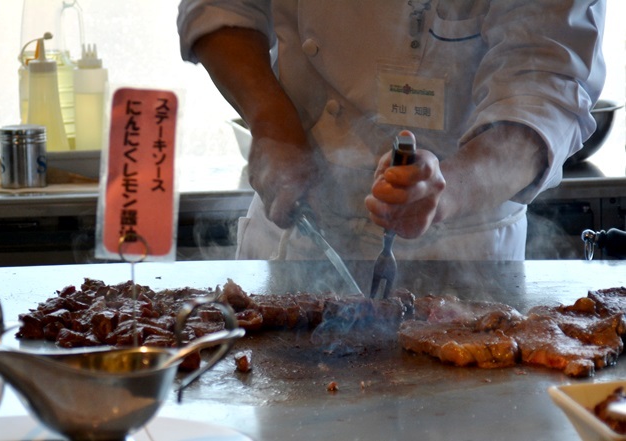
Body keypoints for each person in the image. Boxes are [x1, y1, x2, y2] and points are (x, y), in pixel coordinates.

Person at [177, 1, 606, 261]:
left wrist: (448, 188)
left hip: (458, 254)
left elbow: (545, 83)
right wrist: (273, 124)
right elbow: (221, 7)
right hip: (293, 233)